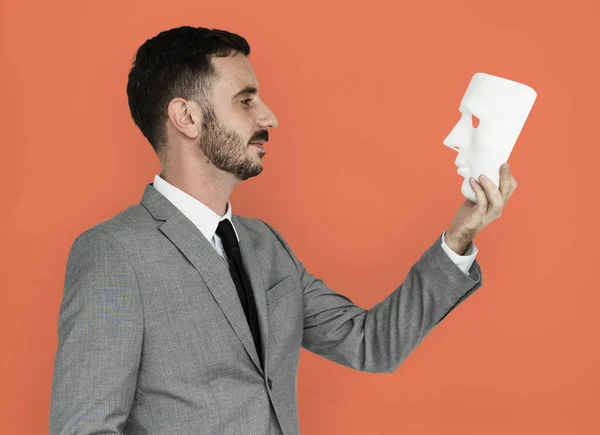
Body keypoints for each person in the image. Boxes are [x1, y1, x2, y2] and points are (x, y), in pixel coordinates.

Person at [49, 26, 518, 435]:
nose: (269, 117)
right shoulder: (113, 253)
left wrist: (458, 238)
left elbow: (370, 343)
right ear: (186, 117)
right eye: (246, 100)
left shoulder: (266, 245)